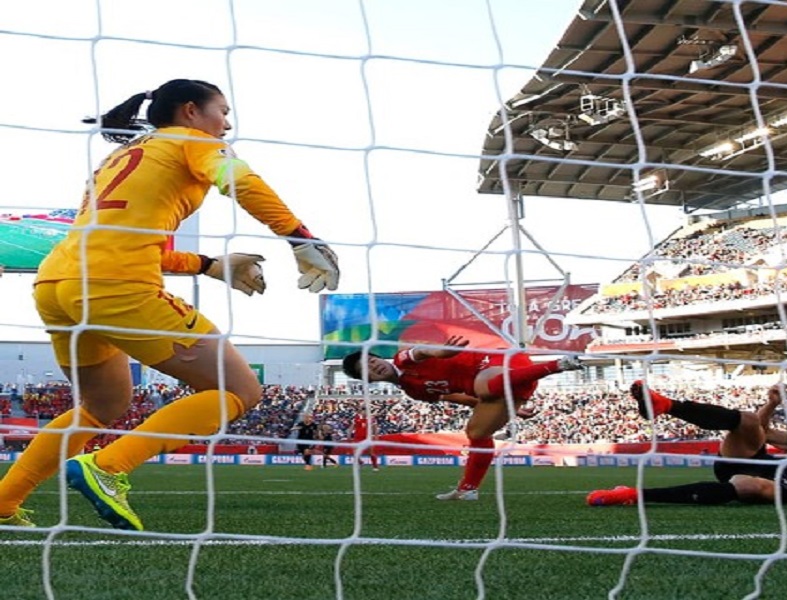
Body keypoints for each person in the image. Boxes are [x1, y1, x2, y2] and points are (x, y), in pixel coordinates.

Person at [0, 79, 340, 530]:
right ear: (190, 112)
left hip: (58, 283)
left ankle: (4, 499)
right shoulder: (192, 141)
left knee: (103, 404)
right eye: (222, 110)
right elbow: (241, 181)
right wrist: (299, 236)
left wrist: (208, 264)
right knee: (241, 390)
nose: (228, 122)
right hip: (116, 285)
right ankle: (108, 467)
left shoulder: (121, 157)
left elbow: (132, 242)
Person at [341, 336, 581, 500]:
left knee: (483, 387)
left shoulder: (402, 358)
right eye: (368, 370)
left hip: (502, 364)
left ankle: (557, 364)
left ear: (380, 357)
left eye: (373, 361)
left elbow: (422, 351)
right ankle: (467, 490)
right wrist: (513, 410)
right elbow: (456, 397)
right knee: (476, 433)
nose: (375, 367)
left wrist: (441, 352)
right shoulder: (413, 390)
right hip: (509, 385)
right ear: (368, 380)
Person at [587, 382, 787, 506]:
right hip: (755, 461)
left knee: (751, 487)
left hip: (784, 489)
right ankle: (666, 405)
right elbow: (764, 434)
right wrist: (771, 406)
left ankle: (630, 495)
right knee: (750, 421)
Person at [351, 405, 380, 471]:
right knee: (355, 453)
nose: (364, 412)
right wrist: (349, 434)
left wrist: (376, 436)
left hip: (367, 438)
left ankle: (375, 466)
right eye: (363, 411)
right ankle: (361, 462)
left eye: (366, 411)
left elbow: (375, 428)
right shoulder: (357, 417)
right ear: (361, 411)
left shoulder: (371, 419)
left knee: (370, 453)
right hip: (357, 437)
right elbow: (353, 426)